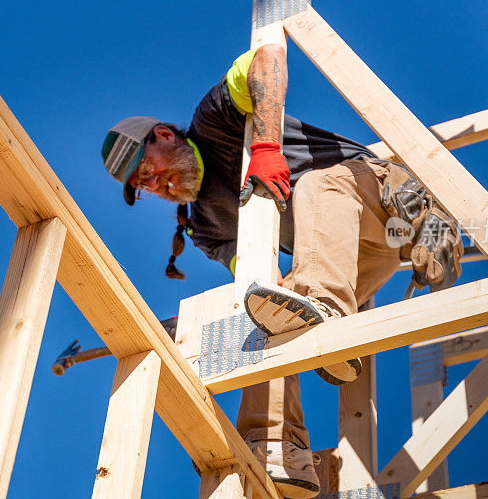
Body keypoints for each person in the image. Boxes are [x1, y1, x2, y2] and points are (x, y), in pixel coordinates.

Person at [101, 45, 462, 498]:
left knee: (314, 184)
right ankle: (276, 446)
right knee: (268, 308)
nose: (155, 185)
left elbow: (267, 55)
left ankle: (422, 231)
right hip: (346, 258)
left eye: (146, 169)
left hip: (378, 199)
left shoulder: (215, 121)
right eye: (142, 187)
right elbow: (261, 279)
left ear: (163, 136)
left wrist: (267, 147)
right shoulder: (205, 228)